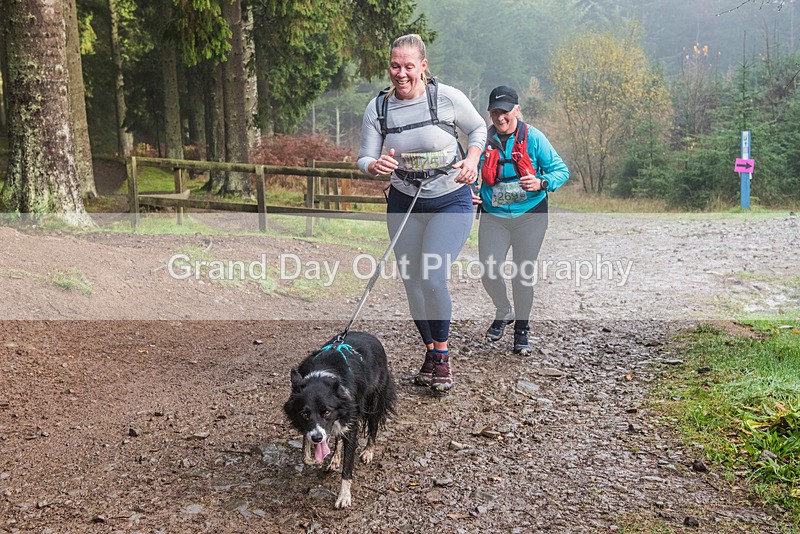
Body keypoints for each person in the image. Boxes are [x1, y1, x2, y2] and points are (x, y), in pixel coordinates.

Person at [358, 34, 487, 392]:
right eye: (395, 66)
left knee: (432, 276)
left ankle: (442, 357)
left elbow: (478, 128)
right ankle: (430, 351)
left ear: (423, 67)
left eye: (408, 66)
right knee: (412, 281)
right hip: (404, 201)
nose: (401, 73)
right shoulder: (379, 108)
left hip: (449, 199)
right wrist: (374, 166)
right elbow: (364, 157)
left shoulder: (446, 97)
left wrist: (472, 160)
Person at [476, 85, 569, 354]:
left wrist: (541, 182)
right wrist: (470, 191)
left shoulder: (534, 138)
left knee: (522, 273)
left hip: (530, 215)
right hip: (494, 215)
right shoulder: (482, 140)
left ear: (516, 110)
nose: (500, 117)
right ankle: (504, 309)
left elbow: (561, 170)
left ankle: (522, 329)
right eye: (495, 112)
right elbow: (470, 172)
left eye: (505, 111)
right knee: (489, 270)